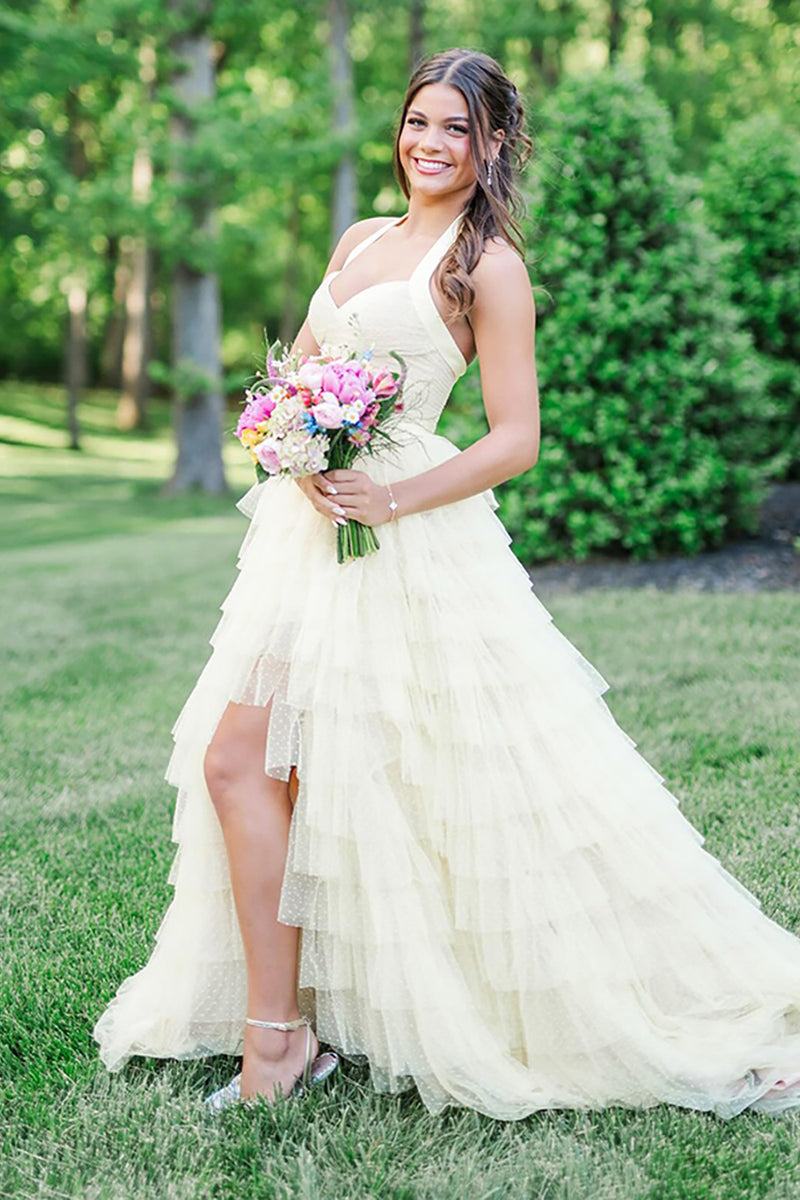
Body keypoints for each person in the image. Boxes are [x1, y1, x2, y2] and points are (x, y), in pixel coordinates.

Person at [93, 47, 800, 1120]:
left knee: (392, 777)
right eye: (418, 121)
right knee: (247, 765)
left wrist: (390, 499)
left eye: (455, 129)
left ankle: (285, 1041)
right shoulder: (361, 239)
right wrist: (283, 433)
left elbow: (515, 438)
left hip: (405, 536)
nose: (429, 143)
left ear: (493, 146)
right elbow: (301, 369)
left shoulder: (487, 267)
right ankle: (283, 1032)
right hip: (303, 534)